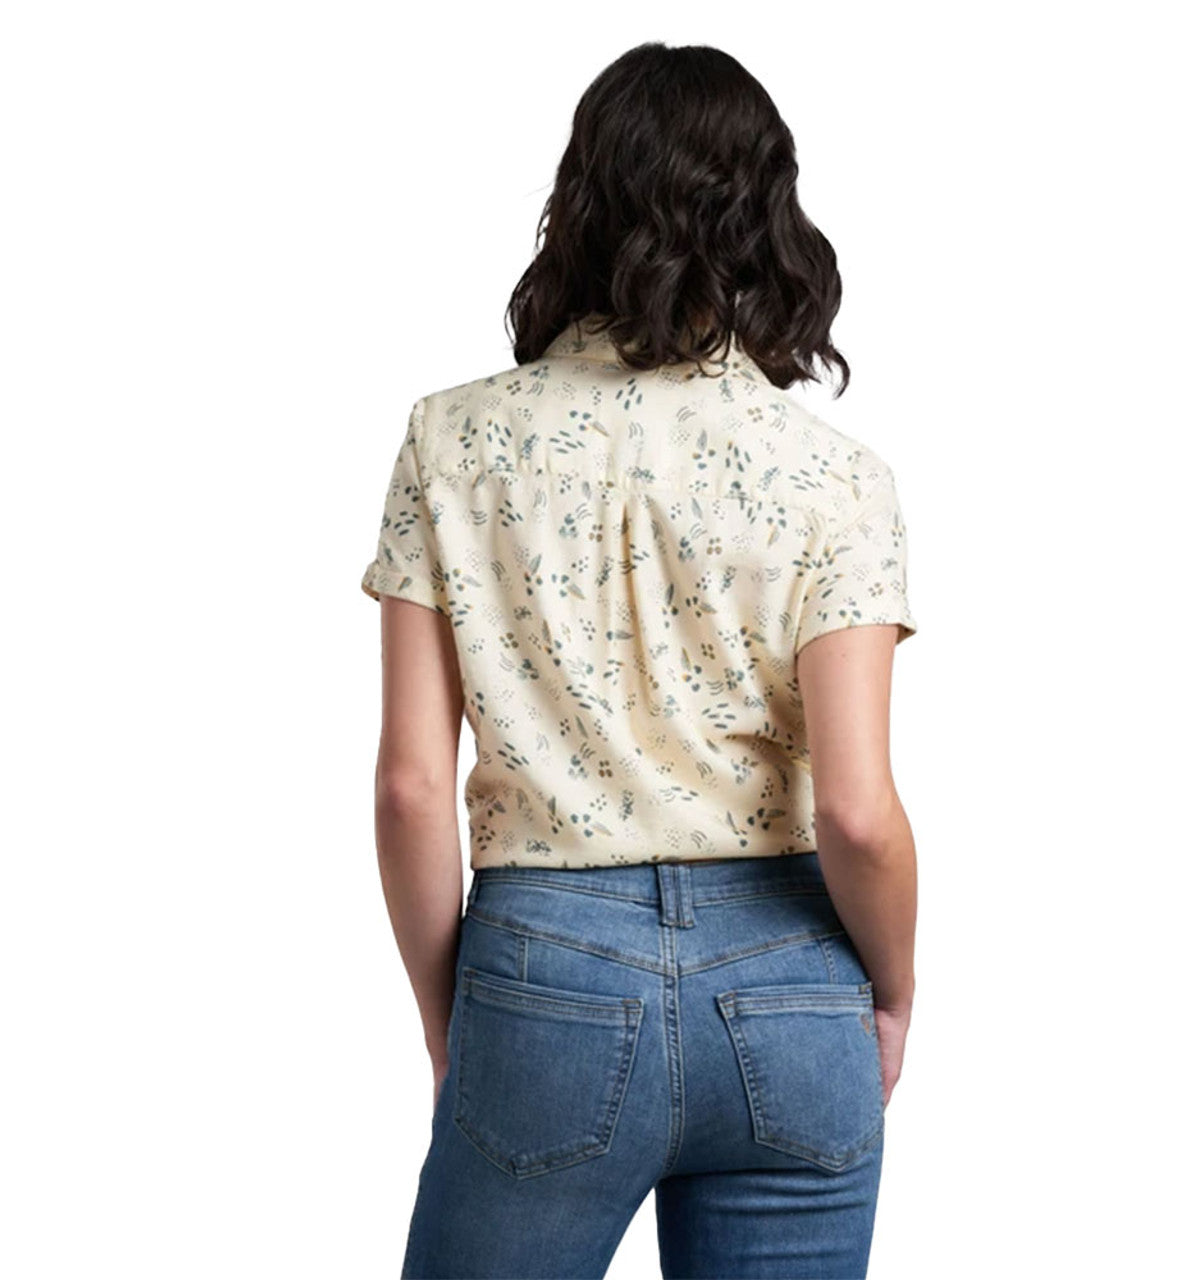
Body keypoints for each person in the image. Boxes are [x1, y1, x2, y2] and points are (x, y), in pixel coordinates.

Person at [361, 41, 919, 1280]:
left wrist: (456, 1016)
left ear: (580, 203)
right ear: (769, 217)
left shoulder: (452, 440)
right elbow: (857, 812)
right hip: (792, 982)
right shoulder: (835, 477)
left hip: (541, 966)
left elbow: (408, 786)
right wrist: (889, 990)